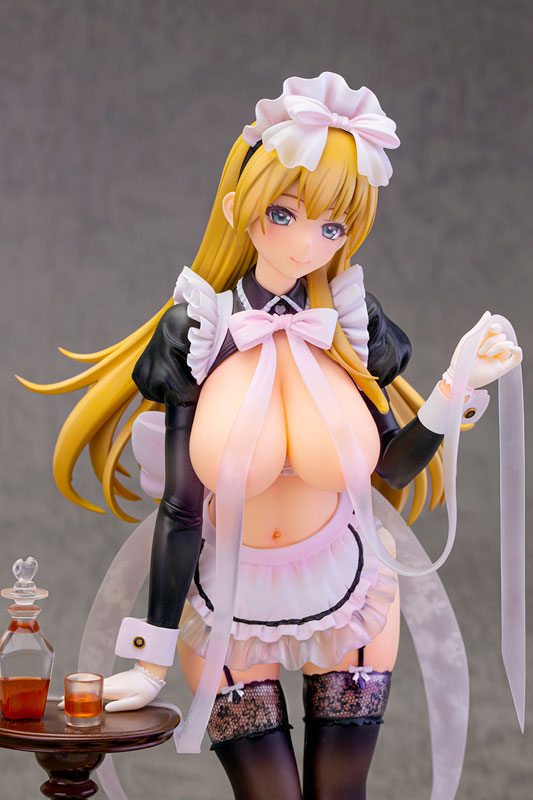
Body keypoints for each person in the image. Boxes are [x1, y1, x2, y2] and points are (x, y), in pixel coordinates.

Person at [19, 73, 524, 800]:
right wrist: (150, 658)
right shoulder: (201, 333)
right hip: (228, 604)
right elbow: (183, 508)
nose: (307, 242)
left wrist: (455, 388)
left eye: (332, 227)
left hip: (349, 592)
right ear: (240, 209)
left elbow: (389, 466)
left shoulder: (351, 325)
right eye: (284, 214)